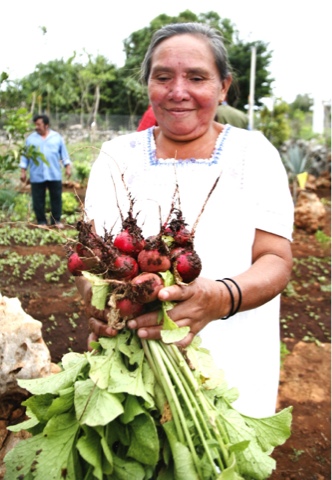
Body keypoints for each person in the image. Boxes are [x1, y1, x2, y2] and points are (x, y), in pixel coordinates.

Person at [76, 23, 294, 418]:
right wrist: (97, 302)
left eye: (197, 77)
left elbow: (276, 260)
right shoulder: (114, 156)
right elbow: (89, 261)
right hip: (132, 353)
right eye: (163, 77)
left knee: (222, 455)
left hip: (232, 350)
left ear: (223, 86)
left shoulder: (254, 154)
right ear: (148, 85)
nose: (178, 92)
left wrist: (219, 298)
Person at [20, 114, 72, 228]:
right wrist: (23, 171)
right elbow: (25, 156)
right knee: (38, 199)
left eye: (39, 124)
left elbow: (64, 154)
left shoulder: (56, 137)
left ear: (46, 125)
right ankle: (41, 222)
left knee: (56, 198)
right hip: (37, 174)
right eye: (35, 124)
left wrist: (67, 167)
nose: (36, 127)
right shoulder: (30, 139)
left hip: (54, 174)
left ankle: (56, 221)